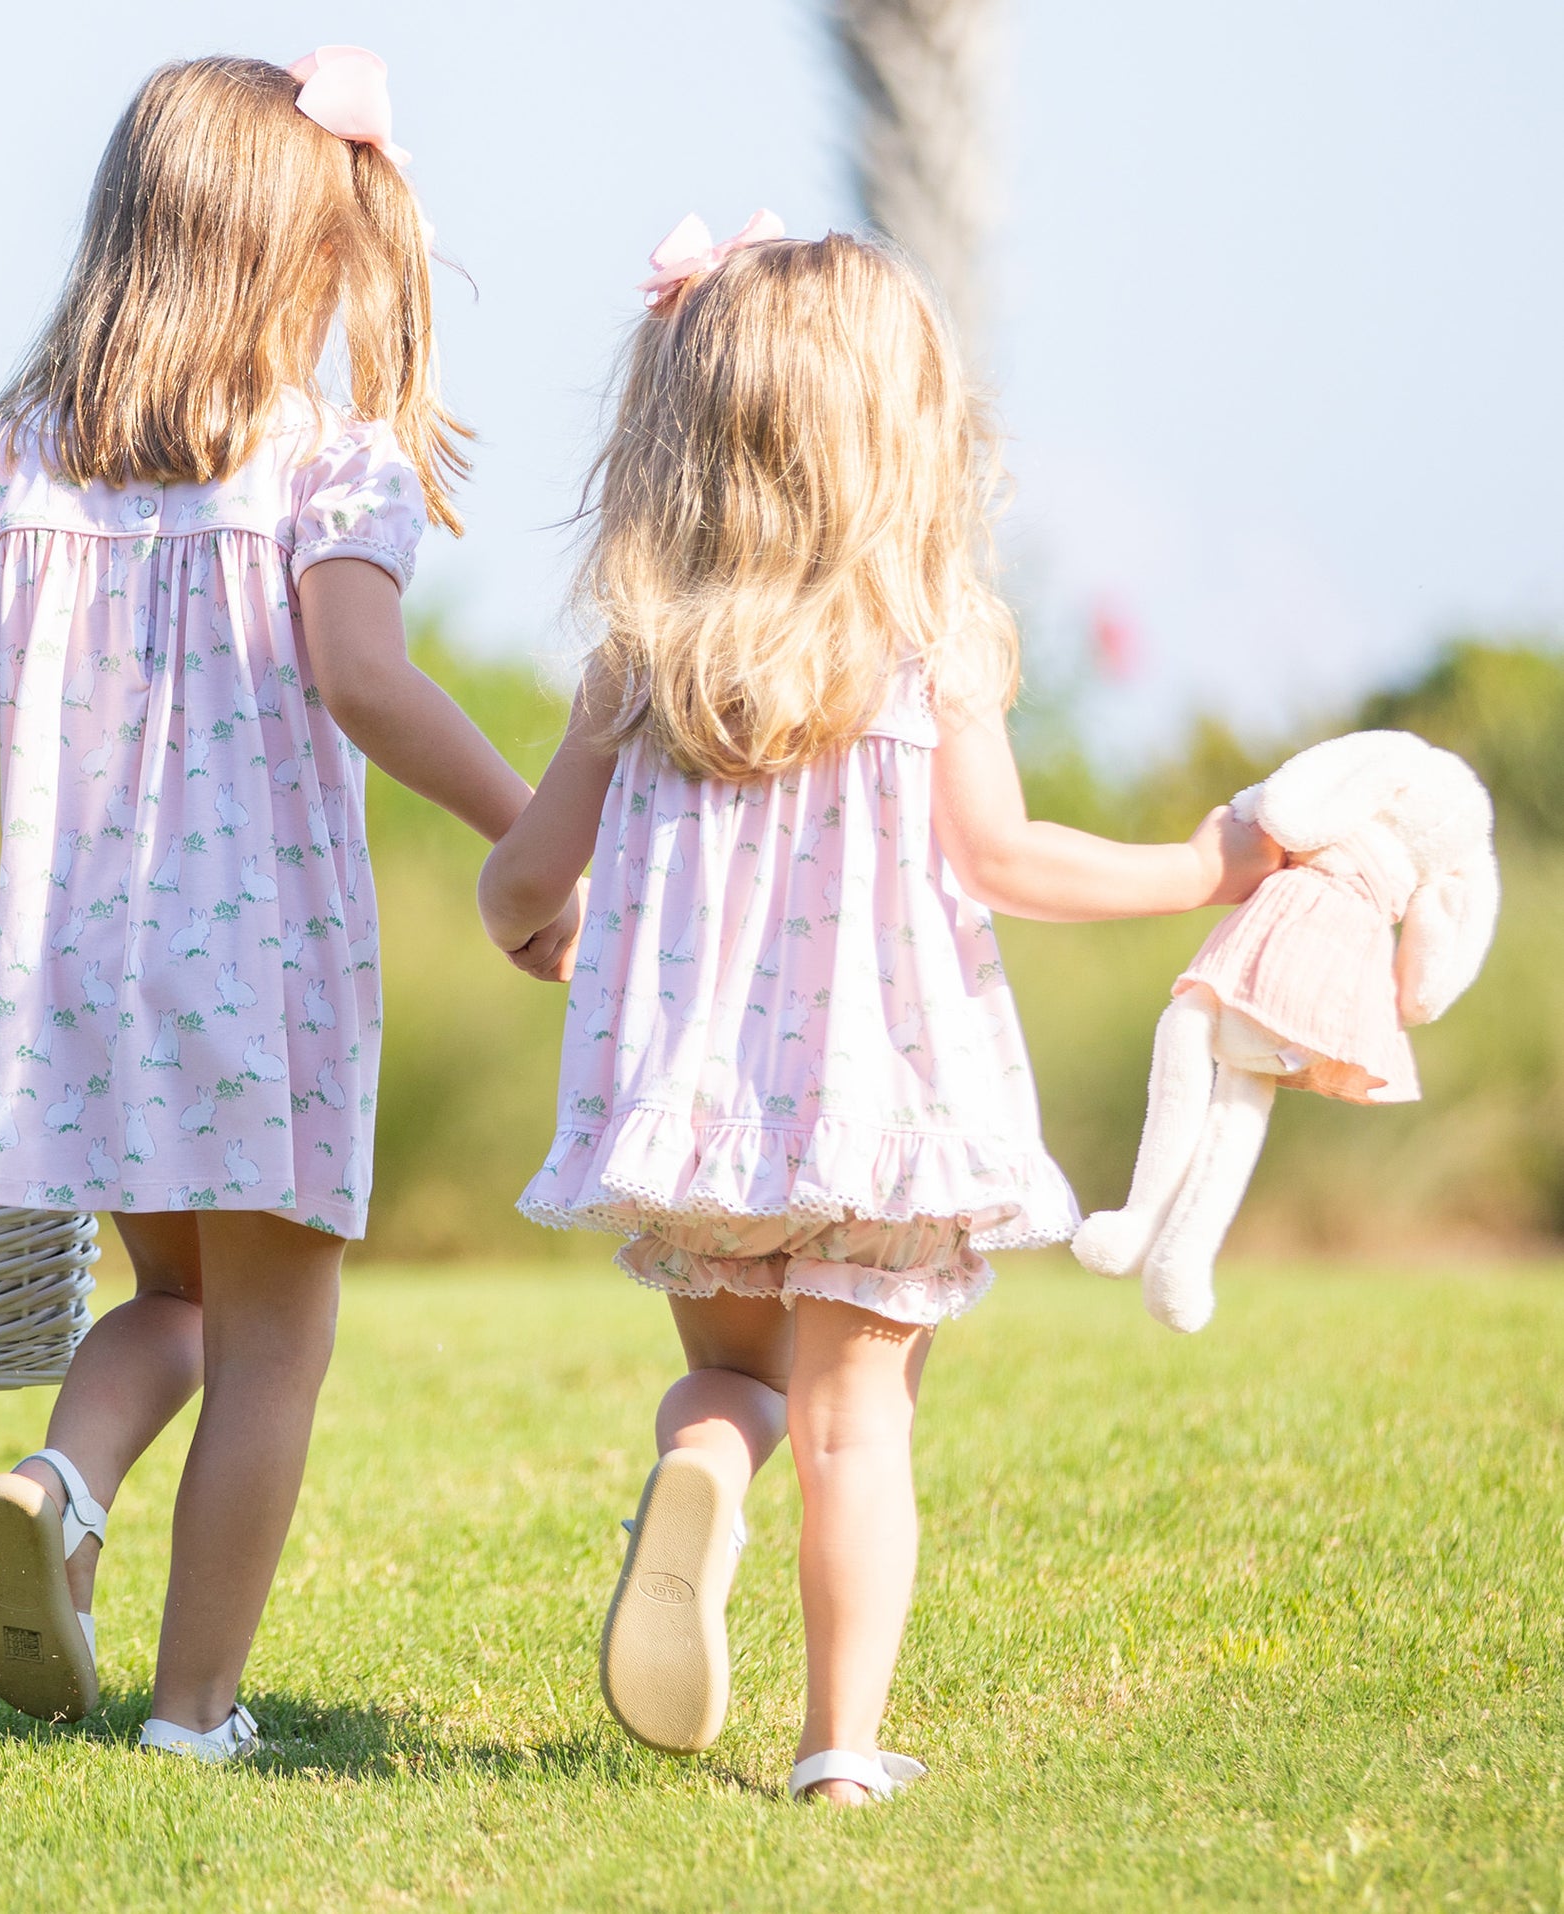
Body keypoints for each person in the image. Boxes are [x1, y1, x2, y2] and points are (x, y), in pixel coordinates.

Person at [478, 215, 1282, 1805]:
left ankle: (703, 1461)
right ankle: (837, 1748)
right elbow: (1007, 858)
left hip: (697, 1114)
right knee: (857, 1428)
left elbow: (517, 881)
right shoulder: (927, 649)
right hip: (881, 1106)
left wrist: (547, 927)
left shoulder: (638, 665)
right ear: (904, 433)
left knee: (735, 1381)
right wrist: (1203, 862)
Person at [0, 51, 567, 1761]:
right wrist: (533, 831)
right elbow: (366, 681)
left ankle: (60, 1471)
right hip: (265, 965)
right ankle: (191, 1712)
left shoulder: (12, 455)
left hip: (77, 965)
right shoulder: (329, 460)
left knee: (173, 1297)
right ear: (300, 255)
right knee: (274, 1344)